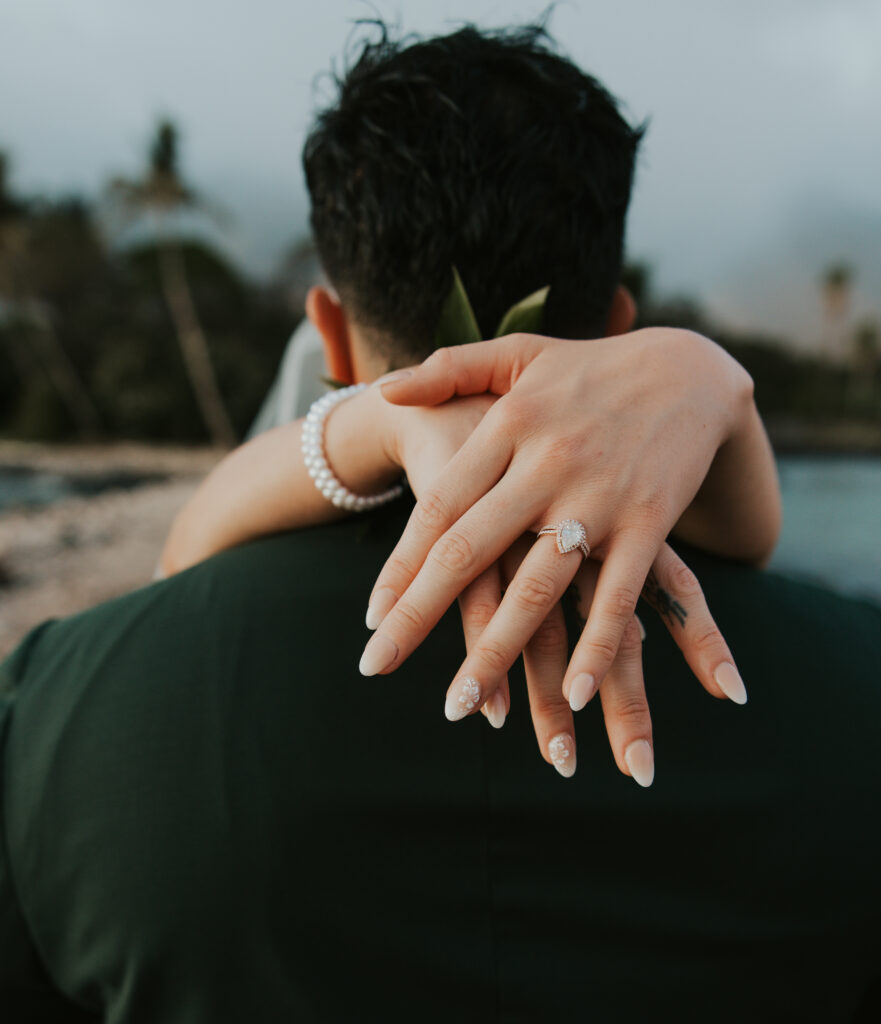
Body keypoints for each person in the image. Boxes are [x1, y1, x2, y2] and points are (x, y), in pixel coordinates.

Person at [1, 22, 879, 1023]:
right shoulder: (859, 687)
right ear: (618, 325)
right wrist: (723, 389)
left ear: (326, 329)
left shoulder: (56, 713)